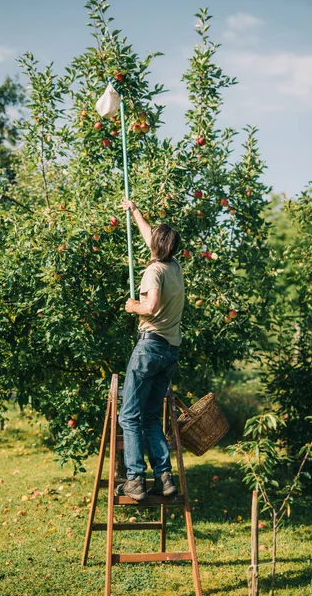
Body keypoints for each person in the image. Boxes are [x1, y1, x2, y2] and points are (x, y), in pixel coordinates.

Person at [117, 199, 185, 501]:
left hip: (150, 347)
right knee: (149, 418)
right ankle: (164, 477)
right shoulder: (174, 267)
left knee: (129, 417)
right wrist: (135, 213)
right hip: (170, 352)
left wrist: (135, 307)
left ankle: (134, 479)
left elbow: (151, 305)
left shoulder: (154, 272)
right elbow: (150, 239)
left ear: (157, 248)